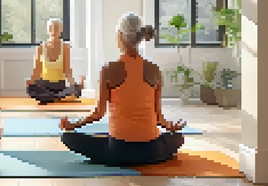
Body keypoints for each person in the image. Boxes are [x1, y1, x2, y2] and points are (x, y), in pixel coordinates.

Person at [59, 13, 187, 166]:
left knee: (67, 138)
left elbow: (98, 114)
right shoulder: (155, 70)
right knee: (178, 138)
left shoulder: (108, 69)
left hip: (118, 151)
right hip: (152, 151)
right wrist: (171, 127)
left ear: (119, 35)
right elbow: (159, 117)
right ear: (140, 37)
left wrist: (74, 125)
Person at [26, 19, 85, 104]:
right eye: (51, 28)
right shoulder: (40, 48)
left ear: (61, 30)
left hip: (60, 86)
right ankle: (57, 98)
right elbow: (37, 71)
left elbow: (67, 70)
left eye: (56, 29)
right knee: (30, 89)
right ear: (48, 30)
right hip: (44, 86)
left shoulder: (65, 48)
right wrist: (31, 82)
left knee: (76, 90)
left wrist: (74, 84)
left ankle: (52, 98)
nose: (53, 31)